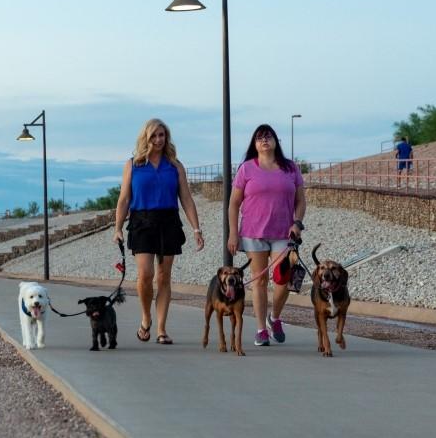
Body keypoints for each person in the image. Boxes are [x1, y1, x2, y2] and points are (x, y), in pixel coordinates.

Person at [113, 119, 205, 344]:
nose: (158, 140)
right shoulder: (133, 165)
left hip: (168, 221)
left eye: (162, 135)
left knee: (164, 277)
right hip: (142, 221)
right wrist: (117, 228)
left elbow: (186, 198)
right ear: (146, 138)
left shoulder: (175, 165)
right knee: (145, 275)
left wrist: (196, 229)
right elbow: (124, 199)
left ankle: (161, 329)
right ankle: (146, 318)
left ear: (167, 137)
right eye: (153, 136)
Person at [227, 123, 307, 347]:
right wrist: (234, 233)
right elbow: (234, 204)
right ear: (254, 143)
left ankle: (275, 317)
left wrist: (298, 223)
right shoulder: (246, 169)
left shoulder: (291, 168)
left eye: (268, 136)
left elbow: (301, 201)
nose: (264, 140)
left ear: (275, 141)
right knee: (259, 281)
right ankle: (261, 329)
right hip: (253, 231)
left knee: (283, 279)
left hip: (284, 232)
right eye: (260, 137)